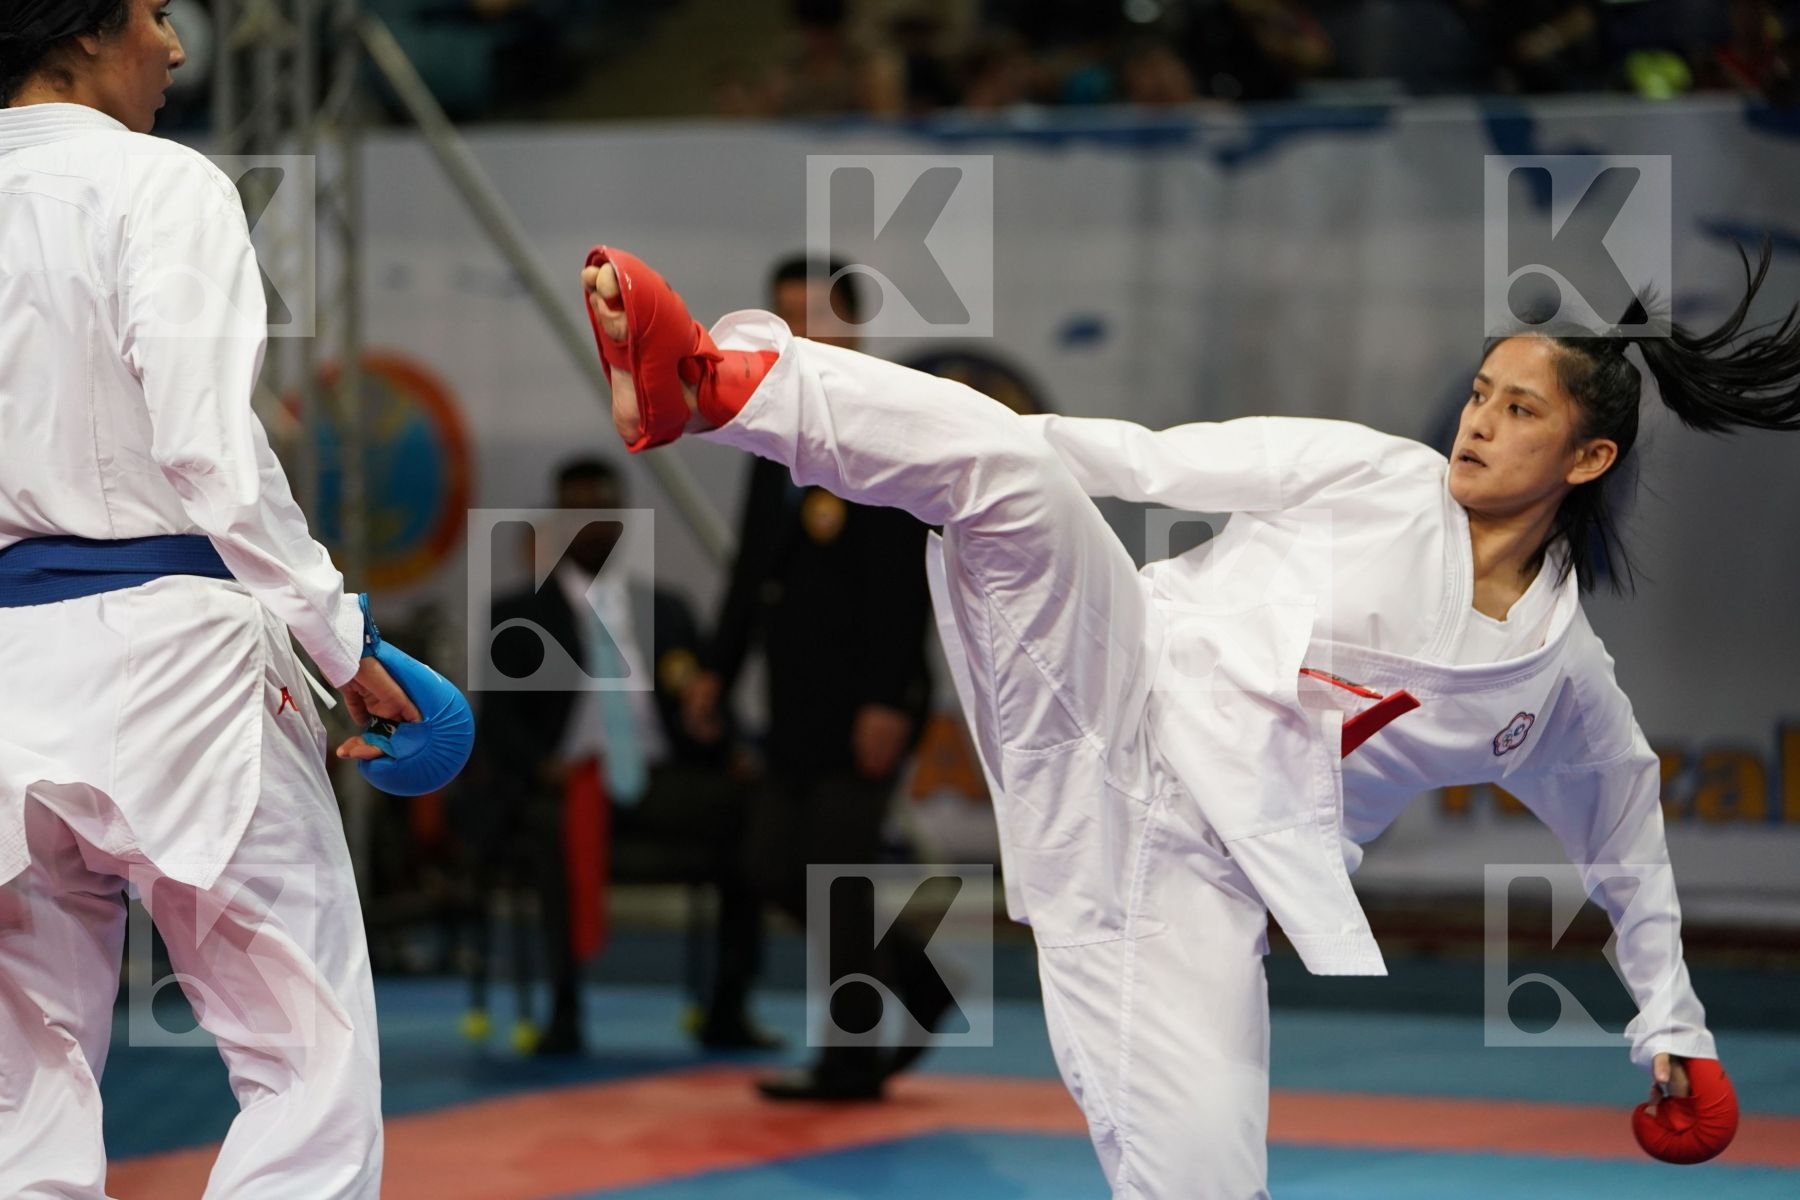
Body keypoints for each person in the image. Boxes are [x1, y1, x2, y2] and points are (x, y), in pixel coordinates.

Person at [579, 241, 1800, 1196]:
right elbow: (1145, 461)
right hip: (1116, 691)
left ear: (1586, 461)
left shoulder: (1558, 683)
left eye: (1519, 410)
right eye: (1480, 392)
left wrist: (1671, 1022)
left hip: (1201, 888)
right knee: (1016, 481)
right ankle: (716, 381)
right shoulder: (1375, 476)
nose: (1477, 422)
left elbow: (1628, 850)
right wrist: (972, 438)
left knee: (1206, 1174)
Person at [0, 2, 422, 1197]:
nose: (176, 46)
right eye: (151, 13)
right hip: (176, 658)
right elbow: (208, 451)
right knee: (305, 1055)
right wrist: (338, 639)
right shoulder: (158, 183)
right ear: (76, 37)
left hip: (5, 669)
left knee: (20, 1079)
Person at [682, 256, 946, 1102]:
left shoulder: (883, 420)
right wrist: (715, 675)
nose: (800, 334)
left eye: (817, 317)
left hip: (867, 698)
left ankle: (849, 1058)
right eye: (785, 316)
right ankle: (919, 979)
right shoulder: (771, 428)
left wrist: (888, 700)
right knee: (769, 864)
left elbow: (906, 583)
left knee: (837, 880)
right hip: (792, 700)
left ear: (855, 326)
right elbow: (750, 570)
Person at [464, 456, 774, 1054]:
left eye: (601, 508)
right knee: (551, 830)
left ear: (622, 518)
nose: (590, 523)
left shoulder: (669, 609)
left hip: (659, 778)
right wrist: (540, 767)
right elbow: (500, 723)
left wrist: (724, 742)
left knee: (751, 812)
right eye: (576, 510)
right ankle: (564, 1009)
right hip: (568, 783)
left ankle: (730, 1006)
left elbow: (711, 703)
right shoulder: (519, 616)